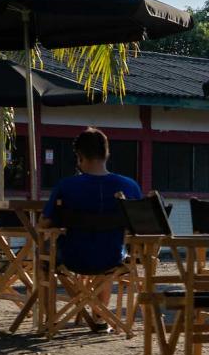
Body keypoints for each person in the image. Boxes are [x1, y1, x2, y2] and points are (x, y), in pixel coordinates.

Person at [40, 128, 142, 331]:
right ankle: (99, 317)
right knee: (106, 259)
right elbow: (138, 224)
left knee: (42, 255)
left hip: (72, 256)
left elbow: (45, 223)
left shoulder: (66, 186)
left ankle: (50, 318)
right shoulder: (129, 186)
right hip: (113, 257)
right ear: (107, 154)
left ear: (79, 156)